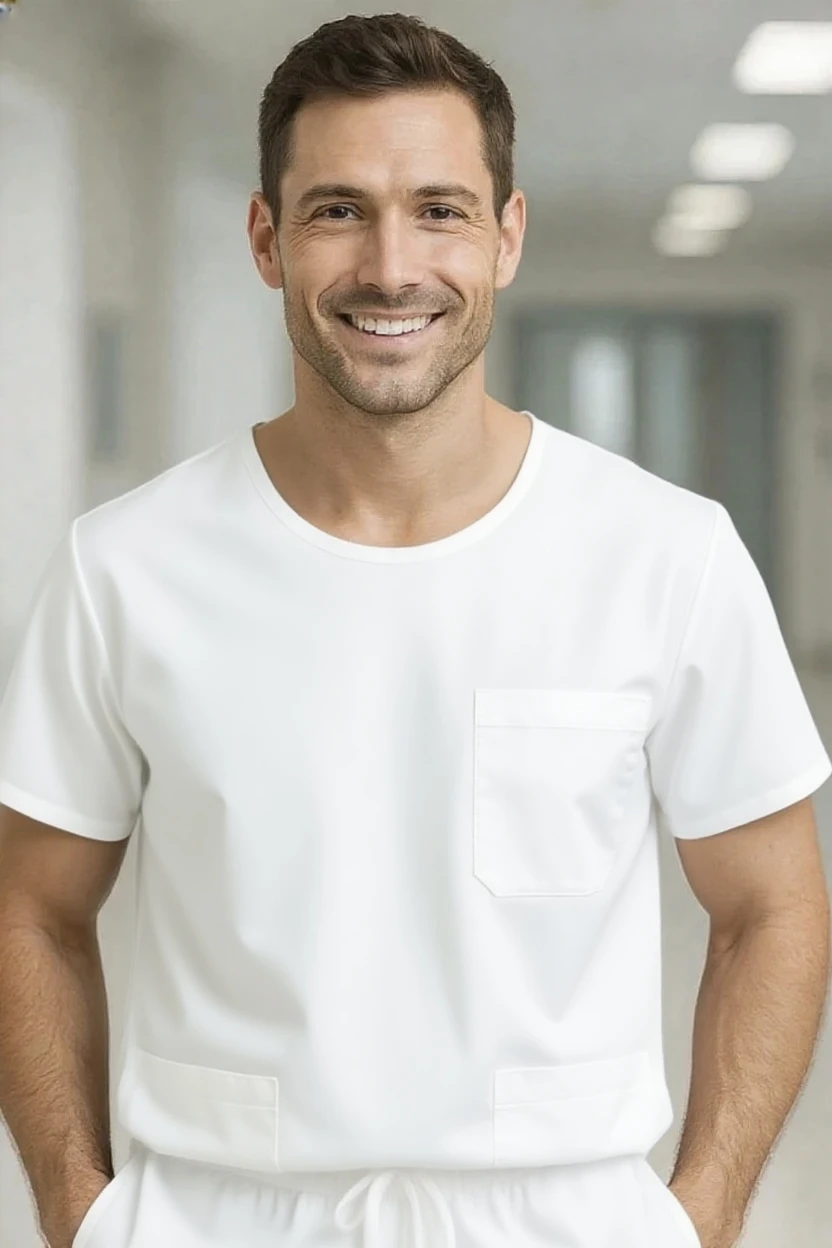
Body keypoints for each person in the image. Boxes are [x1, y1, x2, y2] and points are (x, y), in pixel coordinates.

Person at [0, 12, 830, 1248]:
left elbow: (771, 904)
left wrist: (697, 1221)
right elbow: (32, 906)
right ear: (265, 240)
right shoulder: (127, 567)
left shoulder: (665, 554)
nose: (392, 266)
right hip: (216, 1218)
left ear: (505, 237)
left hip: (561, 1220)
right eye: (338, 210)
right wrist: (78, 1210)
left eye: (439, 209)